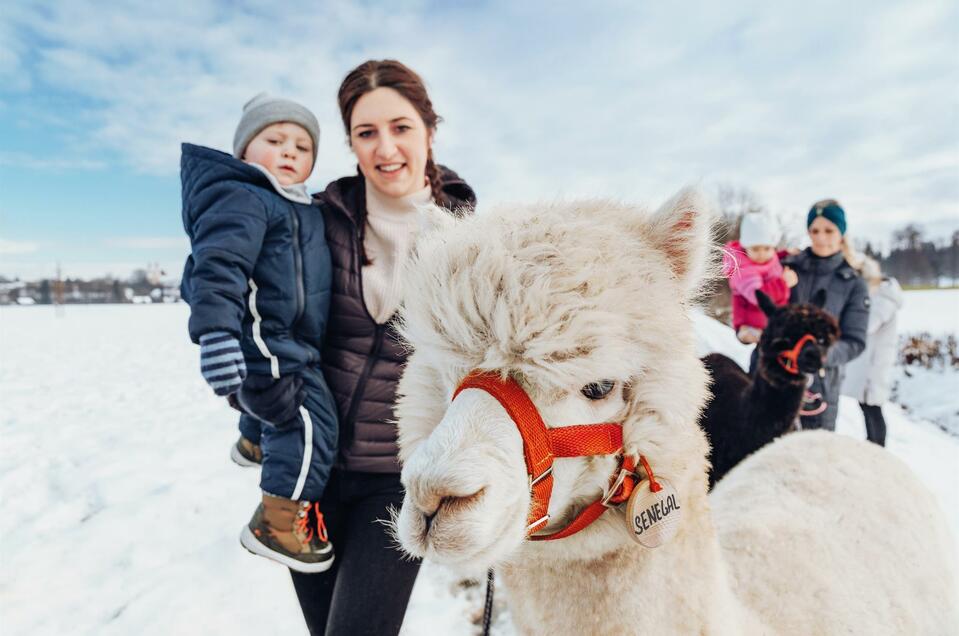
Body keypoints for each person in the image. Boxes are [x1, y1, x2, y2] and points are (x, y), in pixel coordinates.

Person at [284, 60, 476, 635]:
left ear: (429, 131)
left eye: (401, 127)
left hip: (397, 477)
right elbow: (264, 322)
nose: (385, 147)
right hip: (306, 475)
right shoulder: (314, 222)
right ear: (351, 143)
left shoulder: (466, 239)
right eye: (366, 133)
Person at [180, 93, 339, 573]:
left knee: (276, 409)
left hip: (288, 342)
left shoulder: (297, 206)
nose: (289, 152)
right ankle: (277, 522)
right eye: (274, 140)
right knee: (311, 422)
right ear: (244, 151)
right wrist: (216, 334)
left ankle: (253, 440)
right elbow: (216, 267)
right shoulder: (245, 198)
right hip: (269, 347)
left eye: (302, 146)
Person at [782, 199, 870, 431]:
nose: (821, 237)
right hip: (774, 376)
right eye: (815, 230)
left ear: (841, 233)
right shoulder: (787, 267)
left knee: (813, 455)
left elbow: (855, 341)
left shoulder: (853, 283)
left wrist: (820, 355)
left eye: (829, 230)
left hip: (820, 384)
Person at [841, 257, 903, 445]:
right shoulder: (878, 295)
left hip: (875, 365)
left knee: (873, 407)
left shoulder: (883, 297)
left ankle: (877, 446)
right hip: (869, 363)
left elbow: (867, 325)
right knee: (866, 405)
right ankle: (872, 442)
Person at [723, 212, 796, 345]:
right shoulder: (743, 269)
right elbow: (759, 296)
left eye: (767, 248)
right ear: (746, 247)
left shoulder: (766, 258)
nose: (762, 254)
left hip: (769, 321)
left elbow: (771, 264)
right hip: (751, 325)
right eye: (756, 249)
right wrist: (783, 283)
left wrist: (785, 254)